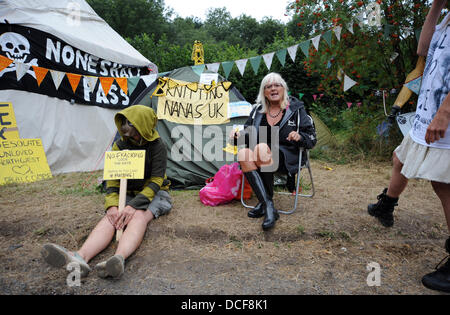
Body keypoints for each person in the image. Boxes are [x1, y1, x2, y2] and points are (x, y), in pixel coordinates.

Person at [367, 0, 450, 293]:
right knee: (400, 157)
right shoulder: (447, 19)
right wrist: (437, 6)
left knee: (444, 186)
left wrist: (445, 112)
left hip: (444, 117)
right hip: (427, 113)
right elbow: (422, 51)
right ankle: (385, 206)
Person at [41, 105, 172, 279]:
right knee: (112, 217)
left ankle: (118, 259)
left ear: (144, 127)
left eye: (135, 132)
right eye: (129, 133)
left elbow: (157, 180)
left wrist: (134, 205)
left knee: (139, 216)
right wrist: (112, 205)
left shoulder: (158, 146)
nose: (132, 137)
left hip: (154, 193)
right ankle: (80, 257)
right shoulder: (120, 145)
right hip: (129, 191)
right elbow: (112, 178)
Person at [231, 72, 316, 231]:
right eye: (268, 86)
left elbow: (311, 137)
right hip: (260, 155)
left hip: (287, 156)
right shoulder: (257, 111)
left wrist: (299, 136)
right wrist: (237, 136)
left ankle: (265, 205)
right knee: (243, 153)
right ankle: (268, 205)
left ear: (284, 89)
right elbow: (246, 135)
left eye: (277, 85)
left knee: (261, 148)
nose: (273, 88)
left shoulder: (296, 109)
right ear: (264, 92)